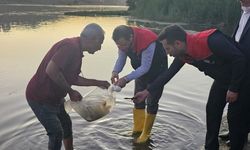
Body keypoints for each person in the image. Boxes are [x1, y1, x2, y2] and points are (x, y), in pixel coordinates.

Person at [133, 25, 249, 150]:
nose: (167, 53)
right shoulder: (183, 53)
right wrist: (147, 92)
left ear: (177, 43)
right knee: (212, 110)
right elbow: (168, 74)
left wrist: (234, 88)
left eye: (168, 48)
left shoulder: (211, 40)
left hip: (243, 77)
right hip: (223, 79)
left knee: (235, 118)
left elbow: (240, 60)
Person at [26, 23, 110, 150]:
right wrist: (70, 91)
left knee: (66, 125)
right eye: (100, 43)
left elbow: (73, 78)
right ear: (94, 39)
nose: (100, 48)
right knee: (56, 132)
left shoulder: (77, 50)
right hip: (40, 97)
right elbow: (51, 70)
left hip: (55, 97)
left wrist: (98, 82)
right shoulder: (70, 46)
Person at [110, 25, 168, 144]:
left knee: (152, 102)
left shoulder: (147, 40)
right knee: (137, 99)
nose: (122, 48)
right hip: (140, 72)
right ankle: (137, 130)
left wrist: (125, 79)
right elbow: (121, 58)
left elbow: (145, 67)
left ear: (131, 38)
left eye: (124, 45)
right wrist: (115, 71)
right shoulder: (122, 41)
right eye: (118, 45)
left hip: (157, 72)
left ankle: (146, 133)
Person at [219, 0, 250, 146]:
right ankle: (237, 134)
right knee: (238, 110)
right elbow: (238, 38)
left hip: (246, 71)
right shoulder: (244, 12)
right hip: (239, 68)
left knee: (236, 112)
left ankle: (238, 136)